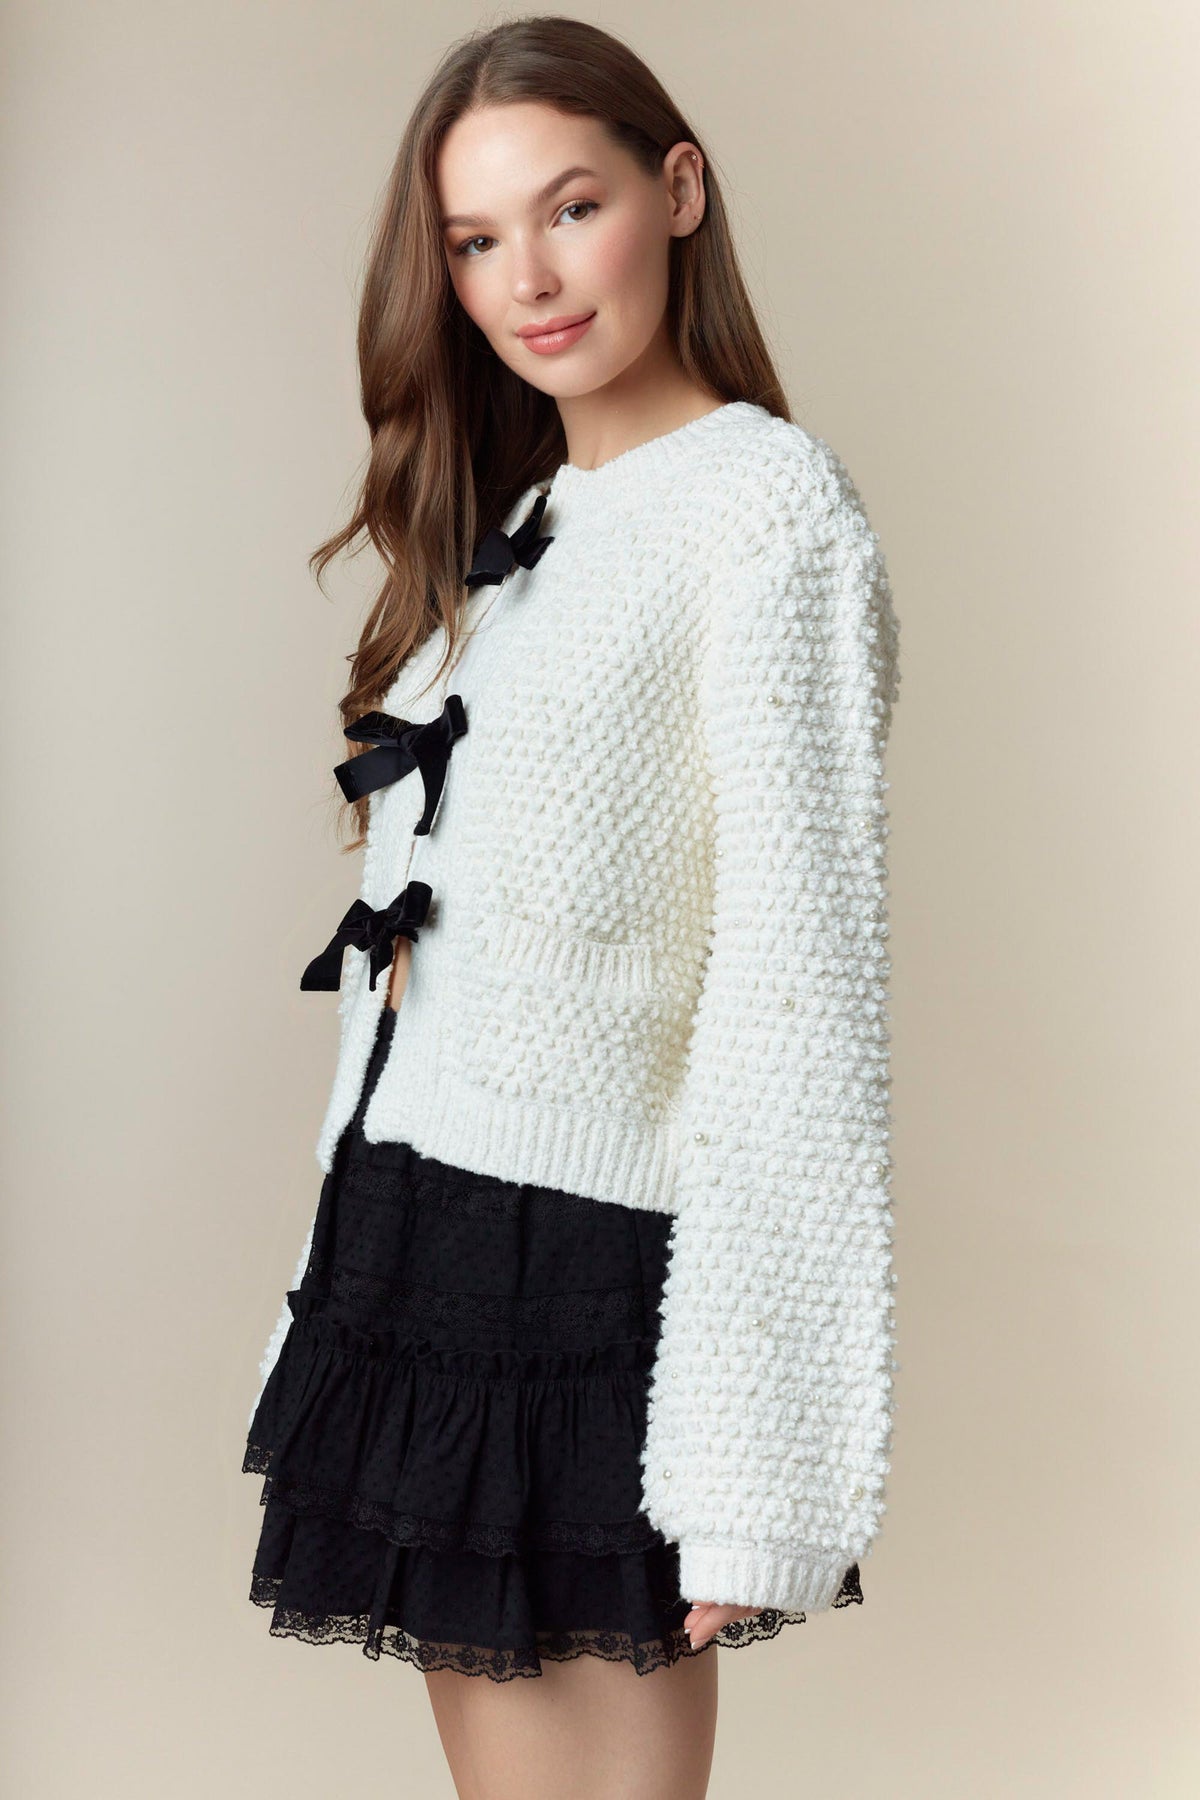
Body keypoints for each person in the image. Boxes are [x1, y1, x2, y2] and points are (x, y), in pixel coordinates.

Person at [241, 16, 901, 1798]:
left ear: (678, 192)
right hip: (420, 1231)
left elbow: (800, 999)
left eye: (571, 208)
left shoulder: (767, 515)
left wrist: (754, 1466)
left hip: (590, 1270)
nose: (524, 279)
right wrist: (331, 1267)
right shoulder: (531, 516)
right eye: (474, 240)